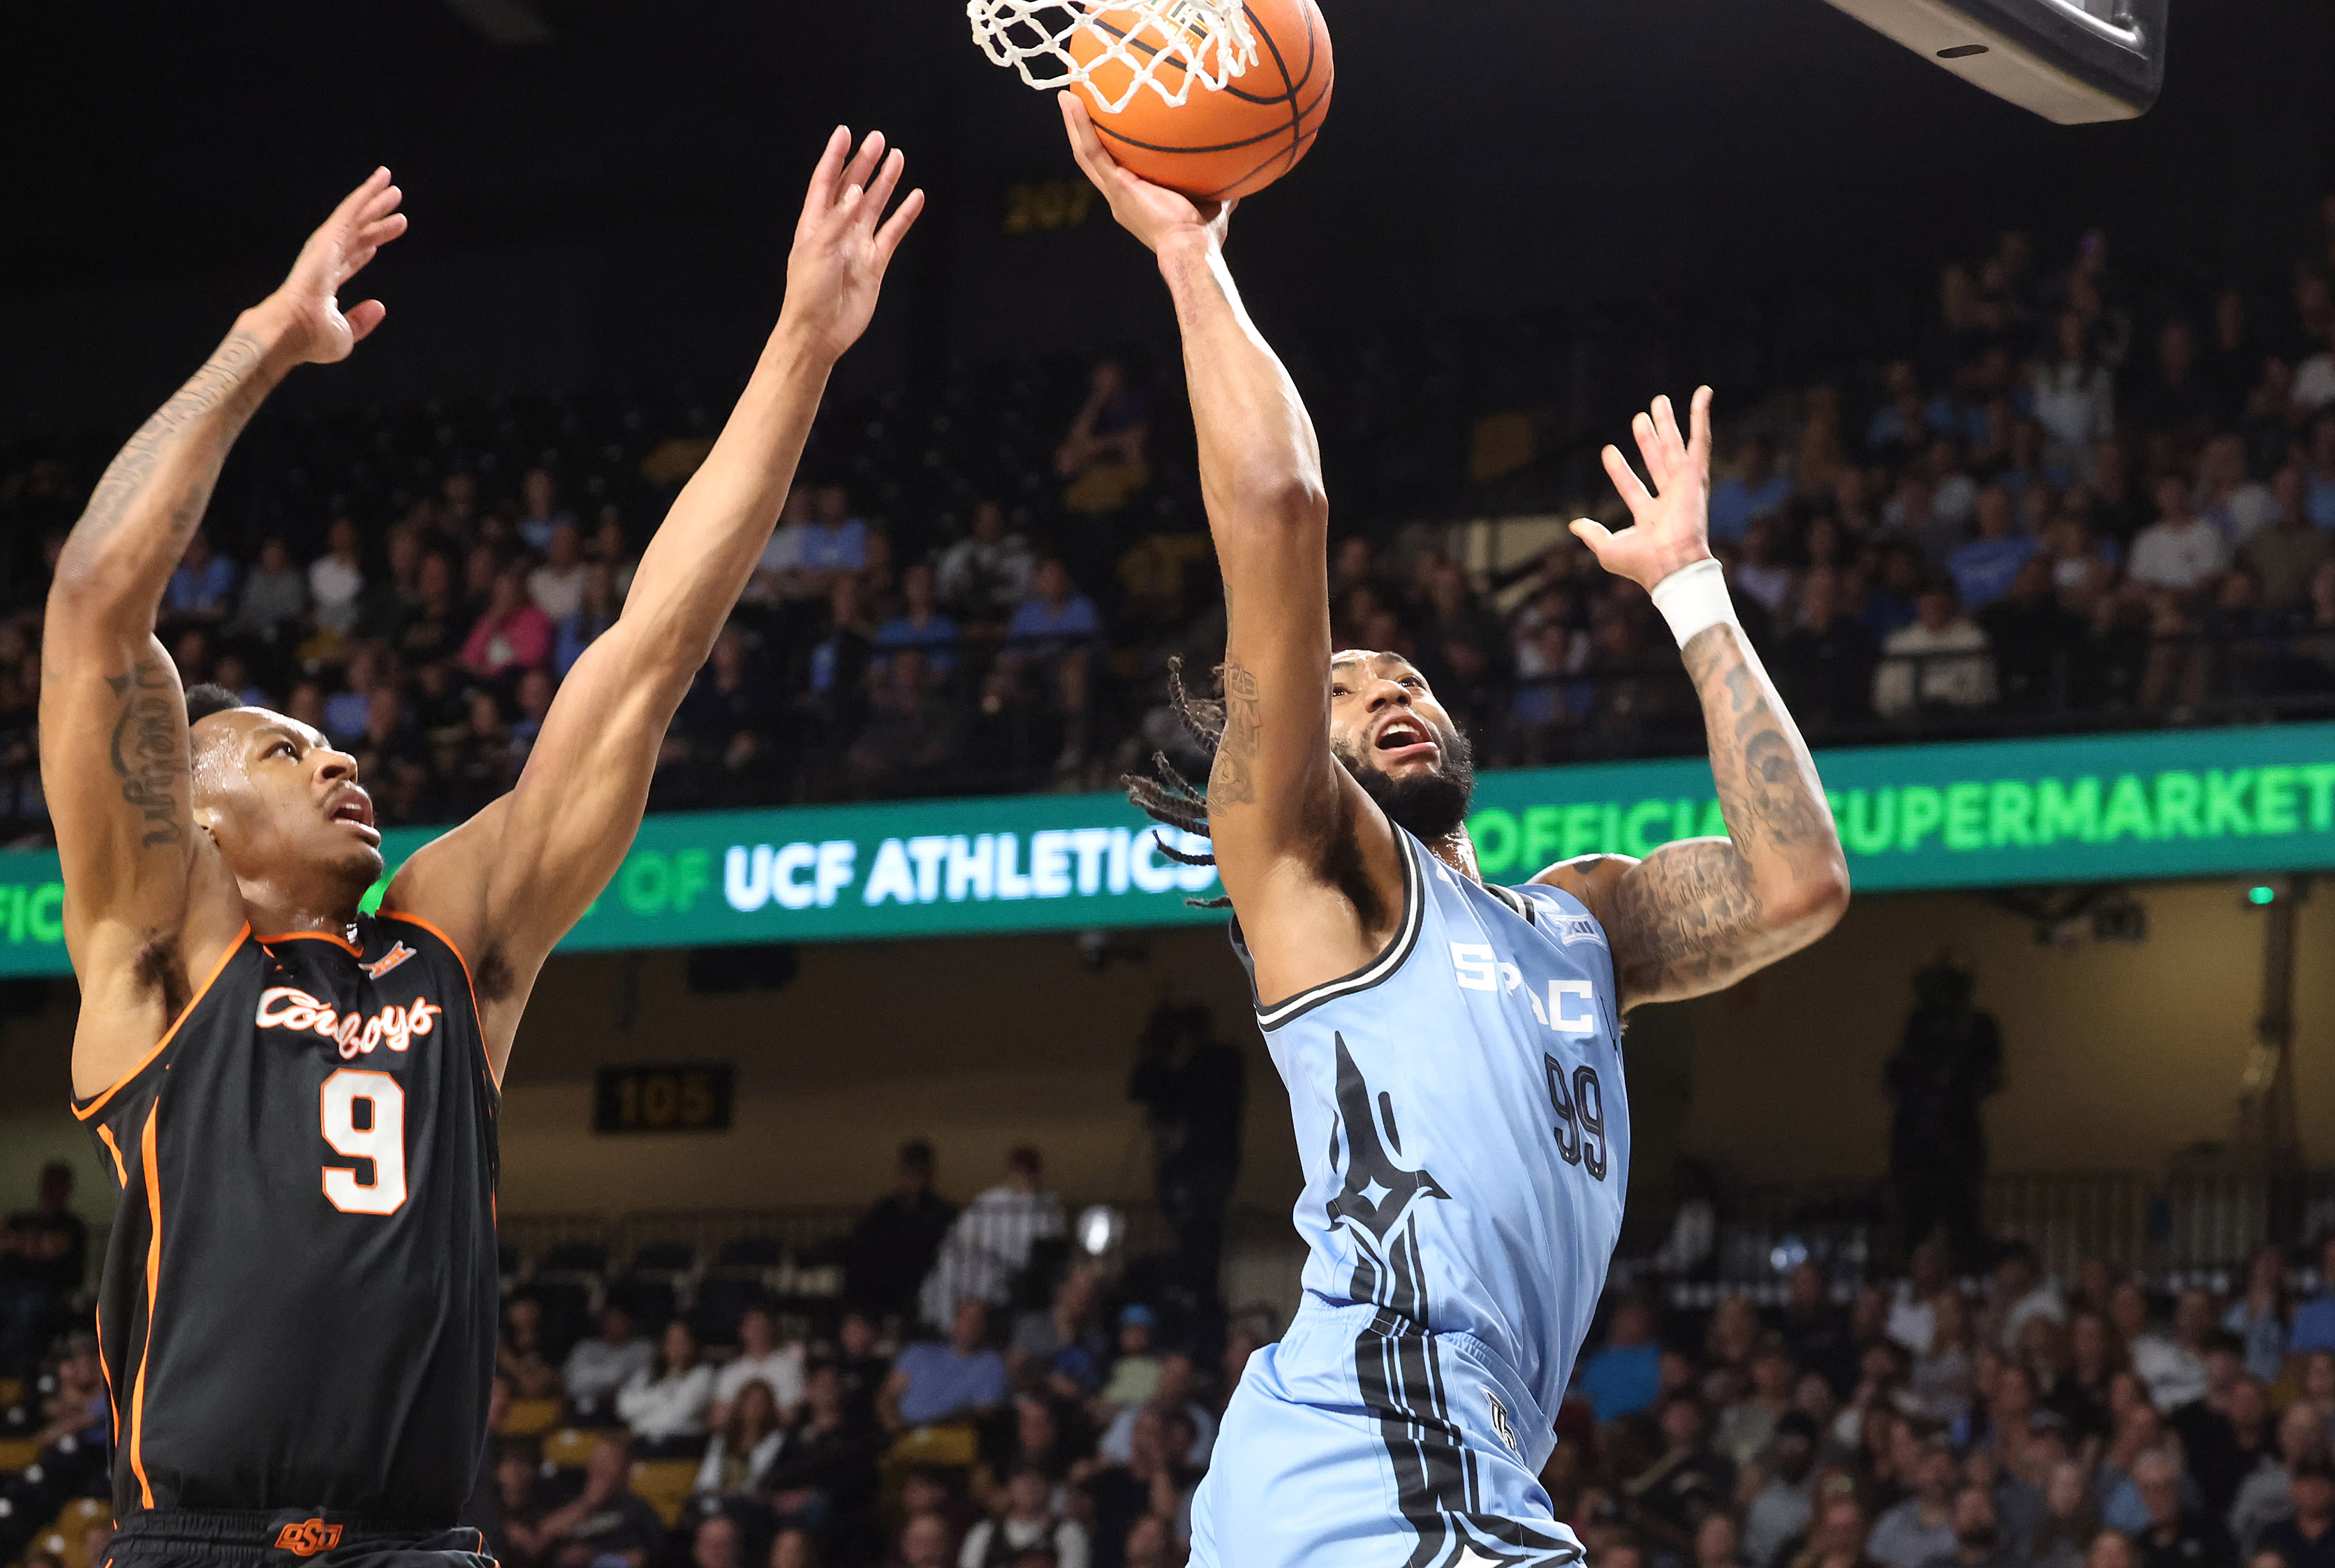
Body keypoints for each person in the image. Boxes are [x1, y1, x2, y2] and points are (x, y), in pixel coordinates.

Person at [42, 140, 922, 1567]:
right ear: (194, 818)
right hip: (200, 1539)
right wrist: (264, 343)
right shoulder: (161, 956)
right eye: (284, 751)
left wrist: (803, 348)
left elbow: (648, 654)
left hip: (424, 1545)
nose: (340, 760)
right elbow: (96, 597)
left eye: (335, 743)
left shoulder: (449, 940)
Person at [1062, 89, 1848, 1568]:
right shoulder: (1314, 873)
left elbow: (1799, 882)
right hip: (1379, 1439)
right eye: (1346, 688)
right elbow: (1280, 504)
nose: (1387, 691)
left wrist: (1691, 592)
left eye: (1408, 678)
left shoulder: (1582, 920)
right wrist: (1188, 254)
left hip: (1433, 1451)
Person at [1885, 954, 2001, 1271]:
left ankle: (1964, 1267)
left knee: (1962, 1211)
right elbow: (1901, 1073)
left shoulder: (1978, 1025)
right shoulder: (1919, 1024)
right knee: (1915, 1212)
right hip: (1919, 1138)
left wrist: (1955, 1086)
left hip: (1956, 1135)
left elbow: (1989, 1076)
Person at [1127, 1001, 1246, 1300]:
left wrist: (1158, 1052)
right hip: (1196, 1173)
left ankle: (1198, 1298)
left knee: (1200, 1247)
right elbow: (1144, 1089)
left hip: (1202, 1175)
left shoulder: (1214, 1064)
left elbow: (1161, 1087)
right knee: (1195, 1245)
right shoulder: (1208, 1067)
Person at [846, 1139, 960, 1322]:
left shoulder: (942, 1213)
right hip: (885, 1294)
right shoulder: (884, 1211)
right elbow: (863, 1251)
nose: (915, 1179)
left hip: (926, 1294)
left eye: (920, 1173)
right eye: (911, 1173)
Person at [0, 1162, 87, 1376]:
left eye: (58, 1185)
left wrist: (18, 1242)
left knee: (27, 1306)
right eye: (49, 1184)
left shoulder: (72, 1225)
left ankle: (10, 1376)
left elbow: (51, 1247)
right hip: (9, 1288)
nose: (51, 1190)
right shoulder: (21, 1220)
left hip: (52, 1295)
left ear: (67, 1188)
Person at [886, 1298, 1010, 1430]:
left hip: (951, 1434)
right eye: (965, 1318)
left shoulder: (991, 1364)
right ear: (954, 1322)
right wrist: (894, 1425)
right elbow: (888, 1395)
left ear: (985, 1327)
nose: (970, 1325)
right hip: (903, 1433)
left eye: (977, 1320)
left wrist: (932, 1426)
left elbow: (984, 1412)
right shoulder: (917, 1352)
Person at [959, 1465, 1091, 1568]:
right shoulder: (985, 1532)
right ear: (1010, 1487)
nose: (1030, 1485)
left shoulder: (1069, 1532)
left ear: (1049, 1487)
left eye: (1037, 1479)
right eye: (1023, 1478)